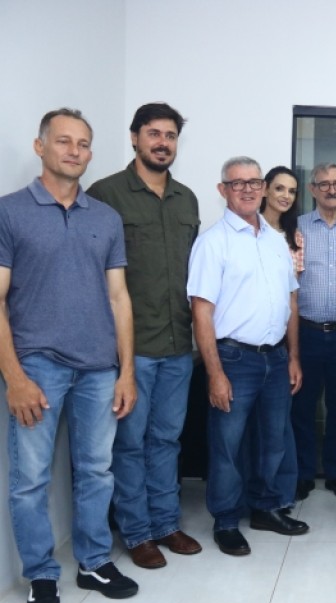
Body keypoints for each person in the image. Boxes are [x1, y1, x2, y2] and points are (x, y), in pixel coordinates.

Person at [0, 108, 139, 603]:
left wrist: (126, 371)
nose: (74, 151)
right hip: (37, 366)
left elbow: (119, 298)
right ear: (41, 147)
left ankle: (94, 562)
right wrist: (14, 377)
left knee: (97, 471)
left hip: (99, 368)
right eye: (63, 141)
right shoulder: (9, 212)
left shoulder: (105, 217)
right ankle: (41, 575)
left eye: (82, 143)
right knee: (31, 479)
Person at [87, 102, 203, 570]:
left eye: (170, 135)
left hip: (178, 345)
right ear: (135, 137)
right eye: (153, 133)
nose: (162, 143)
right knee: (130, 444)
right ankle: (137, 532)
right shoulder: (105, 194)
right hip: (130, 350)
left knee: (168, 441)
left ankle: (166, 523)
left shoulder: (187, 199)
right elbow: (92, 275)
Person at [187, 156, 308, 557]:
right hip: (234, 359)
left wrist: (293, 357)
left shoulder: (275, 241)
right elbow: (201, 312)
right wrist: (215, 373)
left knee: (274, 440)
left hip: (276, 358)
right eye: (237, 183)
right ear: (222, 190)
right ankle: (225, 520)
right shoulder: (212, 243)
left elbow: (290, 302)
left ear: (262, 188)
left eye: (254, 182)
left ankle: (264, 507)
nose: (247, 189)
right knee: (227, 445)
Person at [291, 163, 336, 500]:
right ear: (312, 189)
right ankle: (303, 473)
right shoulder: (297, 227)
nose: (331, 189)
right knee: (302, 408)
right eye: (324, 184)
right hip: (305, 332)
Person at [250, 165, 301, 510]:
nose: (285, 196)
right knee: (249, 428)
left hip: (281, 341)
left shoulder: (293, 237)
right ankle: (253, 497)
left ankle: (279, 496)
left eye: (292, 191)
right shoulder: (247, 229)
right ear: (265, 189)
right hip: (246, 344)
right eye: (279, 188)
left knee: (278, 426)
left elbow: (291, 296)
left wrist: (293, 354)